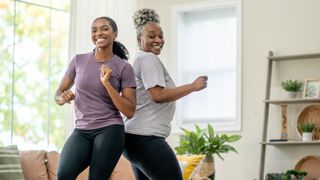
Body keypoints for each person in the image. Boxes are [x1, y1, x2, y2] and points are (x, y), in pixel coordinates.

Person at [124, 8, 208, 180]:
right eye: (152, 36)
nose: (158, 40)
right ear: (139, 39)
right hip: (145, 138)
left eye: (160, 35)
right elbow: (158, 95)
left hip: (134, 138)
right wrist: (192, 86)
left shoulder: (140, 59)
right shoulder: (147, 59)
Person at [54, 16, 136, 180]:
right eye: (94, 30)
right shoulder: (78, 60)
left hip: (110, 129)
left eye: (104, 28)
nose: (99, 33)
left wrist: (107, 84)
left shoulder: (124, 67)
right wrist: (62, 98)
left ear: (115, 34)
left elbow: (130, 110)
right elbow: (58, 93)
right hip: (82, 130)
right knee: (64, 174)